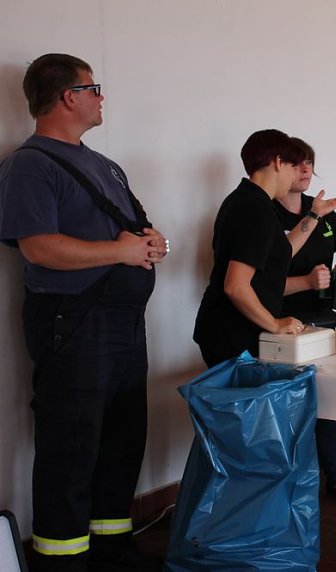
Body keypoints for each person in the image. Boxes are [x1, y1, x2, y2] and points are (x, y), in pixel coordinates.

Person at [0, 53, 168, 571]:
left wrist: (149, 242)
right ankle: (62, 560)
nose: (102, 98)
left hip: (122, 324)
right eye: (95, 88)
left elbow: (130, 230)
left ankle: (112, 548)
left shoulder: (104, 164)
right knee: (71, 446)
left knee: (121, 439)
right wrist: (121, 253)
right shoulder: (30, 164)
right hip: (73, 323)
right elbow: (39, 248)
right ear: (68, 96)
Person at [193, 130, 336, 368]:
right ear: (278, 162)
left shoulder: (246, 200)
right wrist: (275, 324)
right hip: (233, 336)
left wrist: (314, 215)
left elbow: (281, 252)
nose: (296, 175)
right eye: (293, 167)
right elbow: (235, 286)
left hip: (230, 332)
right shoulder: (255, 209)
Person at [273, 138, 336, 506]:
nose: (306, 170)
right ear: (279, 167)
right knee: (292, 405)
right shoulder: (267, 214)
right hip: (285, 323)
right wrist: (306, 282)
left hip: (323, 320)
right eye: (297, 164)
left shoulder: (323, 212)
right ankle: (294, 483)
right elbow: (257, 281)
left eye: (310, 163)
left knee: (326, 399)